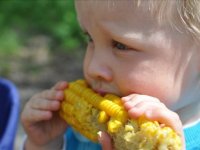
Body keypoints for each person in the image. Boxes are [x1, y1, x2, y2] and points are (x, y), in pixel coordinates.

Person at [21, 0, 200, 150]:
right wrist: (45, 144)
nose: (92, 67)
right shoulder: (79, 134)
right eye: (90, 38)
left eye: (120, 46)